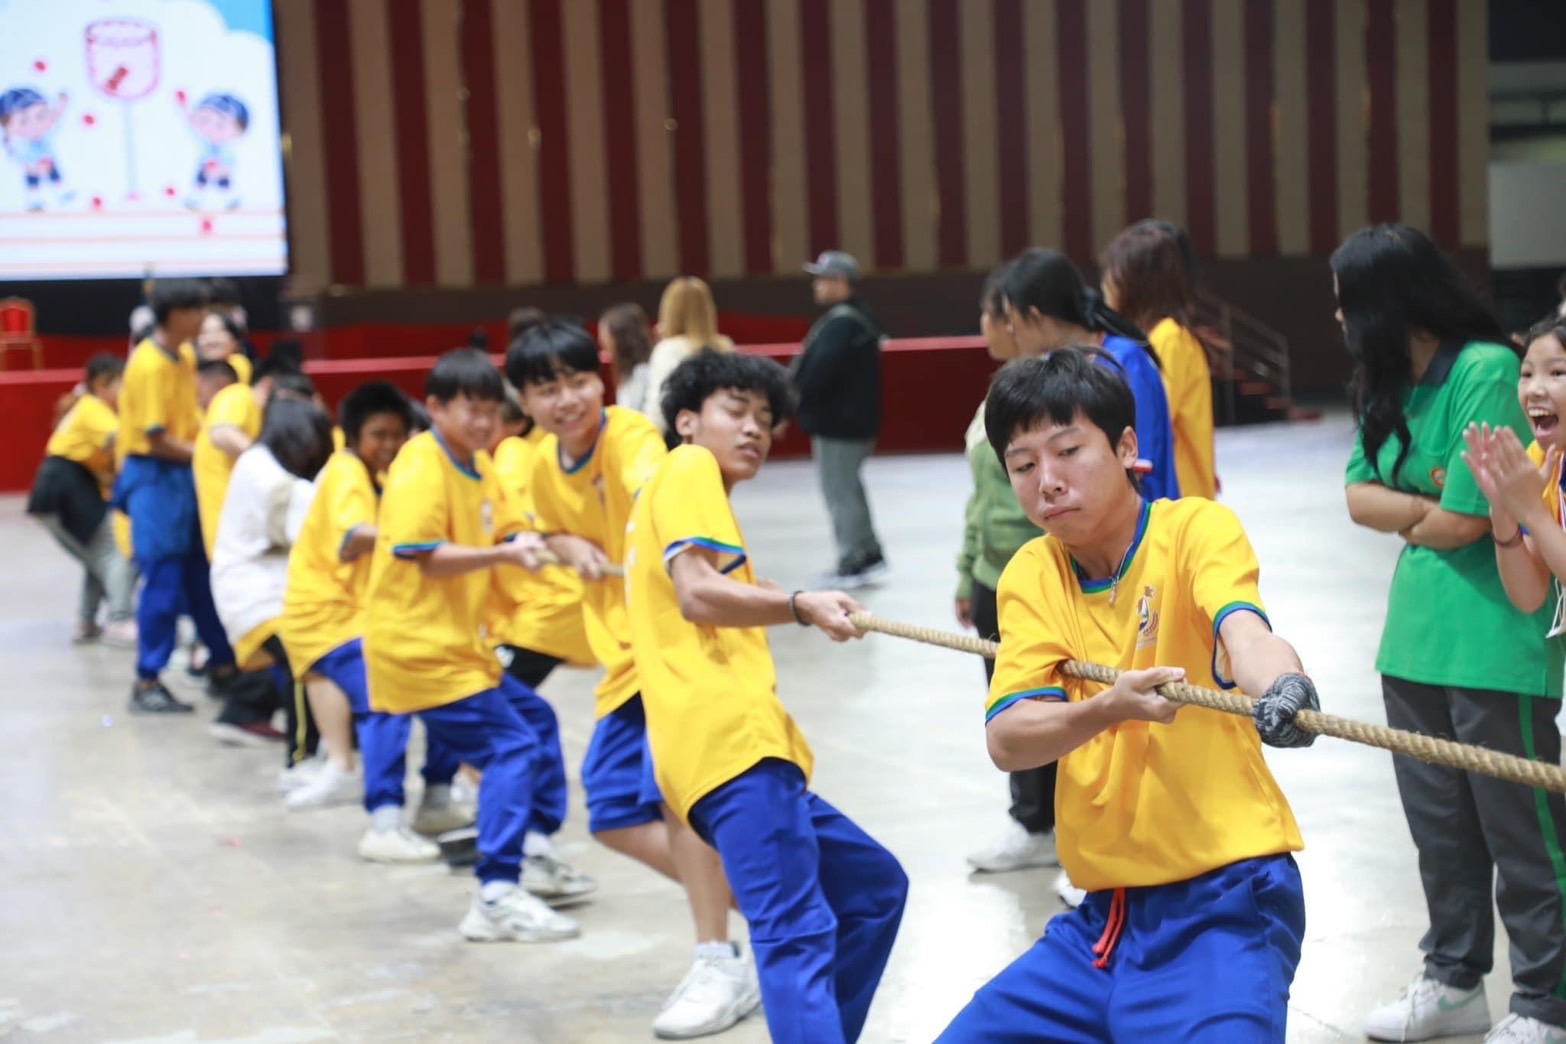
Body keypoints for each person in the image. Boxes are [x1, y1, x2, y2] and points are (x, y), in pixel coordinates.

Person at [937, 348, 1315, 1042]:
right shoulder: (1032, 573)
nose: (1048, 481)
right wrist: (1108, 708)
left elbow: (1247, 635)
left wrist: (1285, 686)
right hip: (1103, 921)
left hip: (1227, 903)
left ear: (1127, 447)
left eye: (1068, 451)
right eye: (1023, 466)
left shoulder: (1194, 530)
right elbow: (1010, 738)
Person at [628, 348, 908, 1043]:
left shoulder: (675, 493)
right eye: (736, 410)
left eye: (764, 417)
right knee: (796, 933)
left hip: (733, 753)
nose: (755, 427)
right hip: (734, 748)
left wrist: (777, 600)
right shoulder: (688, 467)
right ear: (687, 421)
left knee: (873, 891)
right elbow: (696, 594)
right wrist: (799, 604)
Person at [1337, 225, 1566, 1044]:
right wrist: (1429, 505)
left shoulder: (1486, 367)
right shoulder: (1386, 381)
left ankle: (1546, 1000)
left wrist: (1421, 509)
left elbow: (1471, 519)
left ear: (1388, 300)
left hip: (1499, 643)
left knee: (1525, 835)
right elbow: (1356, 496)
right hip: (1412, 640)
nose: (1338, 317)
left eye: (1347, 301)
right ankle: (1453, 979)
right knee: (1441, 834)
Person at [508, 321, 760, 1038]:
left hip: (674, 643)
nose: (567, 399)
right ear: (523, 400)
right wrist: (563, 543)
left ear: (603, 379)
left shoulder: (631, 440)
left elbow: (663, 498)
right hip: (624, 656)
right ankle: (776, 913)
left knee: (680, 801)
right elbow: (546, 525)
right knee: (615, 809)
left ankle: (719, 956)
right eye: (547, 388)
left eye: (578, 381)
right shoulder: (540, 462)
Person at [362, 348, 580, 943]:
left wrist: (544, 543)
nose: (484, 422)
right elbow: (424, 555)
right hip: (418, 649)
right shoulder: (420, 463)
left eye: (491, 410)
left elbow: (513, 524)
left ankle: (531, 846)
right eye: (470, 409)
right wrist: (503, 555)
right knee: (511, 746)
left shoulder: (479, 464)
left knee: (535, 720)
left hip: (461, 648)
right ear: (435, 408)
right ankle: (497, 892)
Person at [114, 278, 238, 714]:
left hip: (183, 474)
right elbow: (155, 438)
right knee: (163, 580)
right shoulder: (148, 364)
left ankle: (223, 666)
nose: (204, 318)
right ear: (176, 314)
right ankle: (147, 680)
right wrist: (209, 452)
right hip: (155, 478)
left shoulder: (184, 356)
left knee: (201, 575)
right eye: (197, 310)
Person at [209, 399, 334, 747]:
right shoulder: (262, 468)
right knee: (305, 658)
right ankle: (302, 755)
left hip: (269, 587)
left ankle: (315, 745)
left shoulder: (261, 463)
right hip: (256, 593)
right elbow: (301, 523)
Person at [791, 250, 888, 587]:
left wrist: (795, 399)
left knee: (839, 492)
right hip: (853, 423)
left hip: (839, 426)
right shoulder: (858, 319)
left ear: (840, 282)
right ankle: (868, 551)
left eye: (822, 279)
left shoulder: (842, 324)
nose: (816, 286)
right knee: (849, 488)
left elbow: (818, 373)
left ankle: (852, 559)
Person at [1101, 221, 1217, 499]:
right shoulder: (1161, 336)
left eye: (1113, 275)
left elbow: (1148, 415)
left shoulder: (1168, 338)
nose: (1105, 285)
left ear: (1137, 284)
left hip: (1177, 498)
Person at [26, 354, 136, 646]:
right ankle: (121, 620)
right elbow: (123, 441)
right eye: (123, 385)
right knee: (116, 552)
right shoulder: (93, 408)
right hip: (66, 487)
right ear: (101, 385)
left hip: (63, 487)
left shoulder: (90, 407)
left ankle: (86, 622)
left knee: (97, 553)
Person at [643, 276, 735, 437]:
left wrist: (644, 438)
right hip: (723, 438)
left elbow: (658, 406)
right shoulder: (726, 347)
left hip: (683, 440)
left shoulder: (669, 349)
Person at [599, 303, 654, 420]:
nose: (601, 340)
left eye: (605, 334)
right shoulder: (626, 373)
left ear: (619, 338)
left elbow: (632, 415)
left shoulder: (641, 372)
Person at [195, 310, 253, 385]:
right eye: (204, 333)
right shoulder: (191, 366)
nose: (211, 339)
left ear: (235, 340)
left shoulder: (238, 364)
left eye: (218, 332)